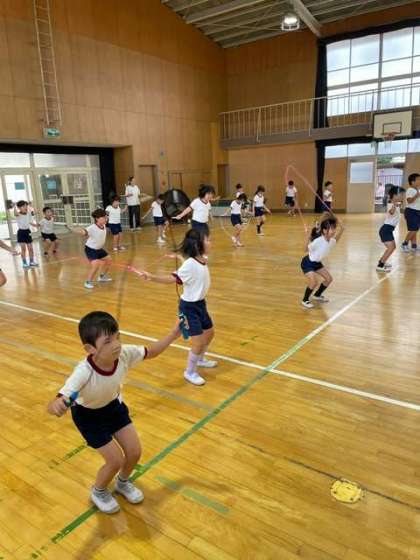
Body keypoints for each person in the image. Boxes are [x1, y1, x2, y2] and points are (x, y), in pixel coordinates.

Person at [47, 310, 180, 514]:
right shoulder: (83, 372)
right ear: (90, 348)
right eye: (108, 341)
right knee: (115, 460)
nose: (116, 344)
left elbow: (152, 351)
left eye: (117, 336)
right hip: (88, 417)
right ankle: (99, 491)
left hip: (113, 408)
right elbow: (54, 402)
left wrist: (174, 333)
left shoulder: (124, 354)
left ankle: (122, 482)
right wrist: (57, 405)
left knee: (134, 452)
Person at [138, 229, 216, 386]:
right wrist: (151, 277)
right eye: (207, 240)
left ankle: (200, 359)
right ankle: (190, 372)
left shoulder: (201, 258)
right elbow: (171, 278)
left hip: (200, 304)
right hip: (189, 308)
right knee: (198, 342)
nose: (210, 242)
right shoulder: (190, 264)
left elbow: (188, 264)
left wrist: (179, 257)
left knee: (209, 333)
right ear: (197, 245)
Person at [300, 213, 344, 309]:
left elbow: (337, 239)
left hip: (317, 263)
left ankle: (317, 295)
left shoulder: (331, 241)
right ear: (324, 230)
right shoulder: (318, 241)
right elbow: (304, 249)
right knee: (314, 282)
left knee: (329, 279)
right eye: (331, 229)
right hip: (308, 263)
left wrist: (342, 229)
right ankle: (305, 300)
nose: (334, 231)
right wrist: (307, 238)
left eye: (334, 228)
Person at [71, 208, 112, 289]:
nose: (106, 219)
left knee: (109, 260)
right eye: (103, 217)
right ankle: (88, 282)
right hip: (91, 249)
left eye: (106, 217)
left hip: (99, 249)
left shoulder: (103, 225)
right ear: (97, 219)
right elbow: (84, 232)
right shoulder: (92, 227)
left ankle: (102, 277)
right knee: (96, 265)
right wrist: (76, 230)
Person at [377, 186, 405, 272]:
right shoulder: (390, 204)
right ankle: (380, 266)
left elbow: (398, 207)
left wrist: (397, 204)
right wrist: (394, 205)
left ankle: (382, 261)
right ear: (395, 195)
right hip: (386, 230)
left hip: (389, 230)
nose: (403, 196)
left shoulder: (395, 204)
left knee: (393, 247)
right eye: (401, 195)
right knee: (391, 248)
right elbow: (391, 212)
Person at [13, 200, 39, 269]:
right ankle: (24, 263)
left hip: (28, 232)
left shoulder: (29, 213)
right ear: (19, 208)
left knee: (30, 248)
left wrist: (31, 206)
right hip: (21, 232)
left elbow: (36, 212)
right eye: (23, 206)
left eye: (26, 206)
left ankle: (31, 262)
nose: (25, 207)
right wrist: (14, 206)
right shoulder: (18, 214)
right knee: (23, 249)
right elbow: (15, 213)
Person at [401, 173, 420, 254]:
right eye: (418, 179)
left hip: (417, 211)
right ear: (412, 182)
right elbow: (409, 201)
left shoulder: (417, 190)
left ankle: (414, 246)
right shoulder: (410, 190)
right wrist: (416, 196)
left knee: (415, 229)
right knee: (414, 229)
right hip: (411, 211)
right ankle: (404, 244)